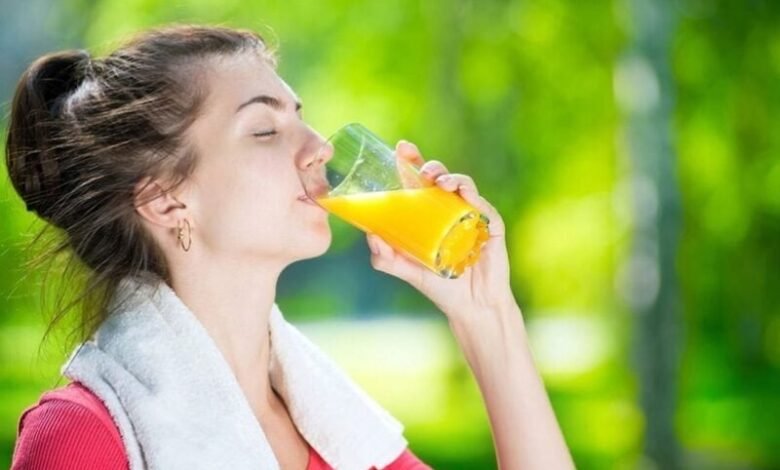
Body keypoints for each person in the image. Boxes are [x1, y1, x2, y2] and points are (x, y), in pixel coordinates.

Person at [5, 24, 574, 469]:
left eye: (301, 118)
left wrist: (487, 316)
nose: (320, 147)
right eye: (264, 130)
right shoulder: (80, 438)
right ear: (164, 200)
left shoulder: (337, 430)